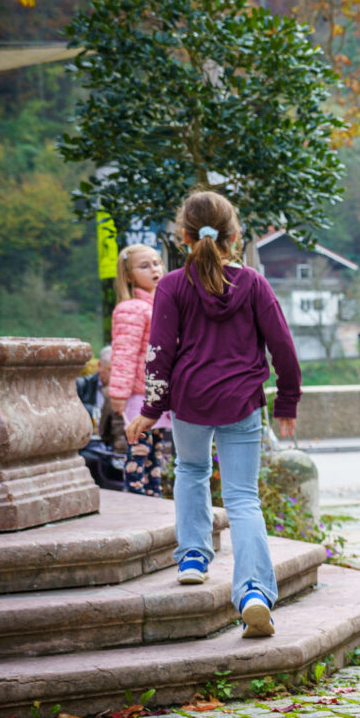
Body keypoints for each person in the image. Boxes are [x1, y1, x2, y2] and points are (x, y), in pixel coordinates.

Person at [128, 190, 301, 638]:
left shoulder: (170, 286)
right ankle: (254, 594)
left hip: (190, 400)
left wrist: (150, 409)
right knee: (243, 499)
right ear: (235, 235)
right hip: (242, 400)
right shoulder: (253, 285)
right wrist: (287, 401)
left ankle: (192, 556)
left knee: (191, 470)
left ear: (183, 237)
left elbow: (160, 352)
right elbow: (282, 345)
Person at [111, 243, 175, 497]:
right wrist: (119, 393)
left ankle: (152, 496)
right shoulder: (131, 309)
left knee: (154, 452)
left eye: (157, 263)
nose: (154, 270)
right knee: (138, 450)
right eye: (144, 266)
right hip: (138, 393)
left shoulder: (157, 304)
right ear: (128, 275)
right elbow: (124, 353)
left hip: (154, 393)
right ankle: (136, 497)